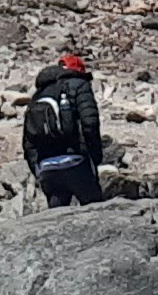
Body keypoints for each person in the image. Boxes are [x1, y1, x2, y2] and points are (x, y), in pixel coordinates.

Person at [23, 50, 106, 206]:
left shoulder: (38, 95)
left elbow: (28, 140)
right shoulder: (79, 85)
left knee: (57, 220)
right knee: (96, 214)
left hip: (47, 167)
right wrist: (95, 157)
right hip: (76, 162)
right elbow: (90, 124)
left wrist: (38, 171)